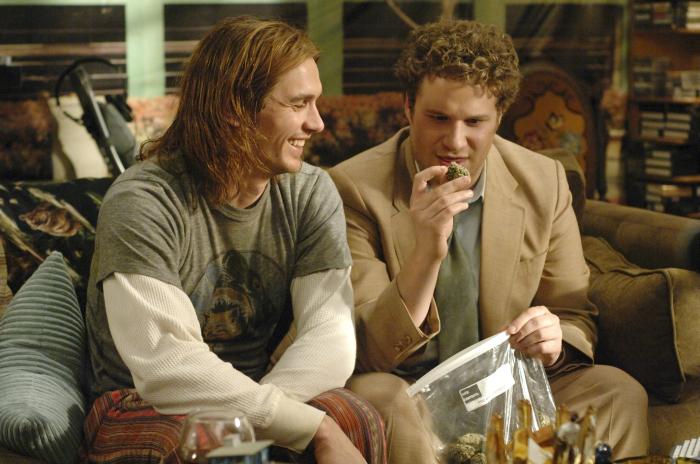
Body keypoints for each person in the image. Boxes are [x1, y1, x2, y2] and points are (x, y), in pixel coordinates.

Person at [329, 19, 649, 463]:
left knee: (618, 391)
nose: (454, 141)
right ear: (407, 107)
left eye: (475, 122)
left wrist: (554, 339)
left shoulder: (544, 181)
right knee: (382, 399)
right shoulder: (352, 188)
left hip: (507, 384)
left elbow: (575, 314)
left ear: (500, 116)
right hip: (408, 387)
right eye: (438, 118)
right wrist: (427, 251)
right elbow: (367, 349)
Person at [84, 16, 385, 464]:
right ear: (234, 108)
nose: (318, 123)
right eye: (299, 104)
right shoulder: (144, 200)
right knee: (207, 446)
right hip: (140, 403)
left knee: (355, 418)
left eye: (315, 103)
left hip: (262, 384)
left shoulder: (310, 191)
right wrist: (304, 425)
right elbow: (167, 366)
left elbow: (330, 337)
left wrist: (267, 416)